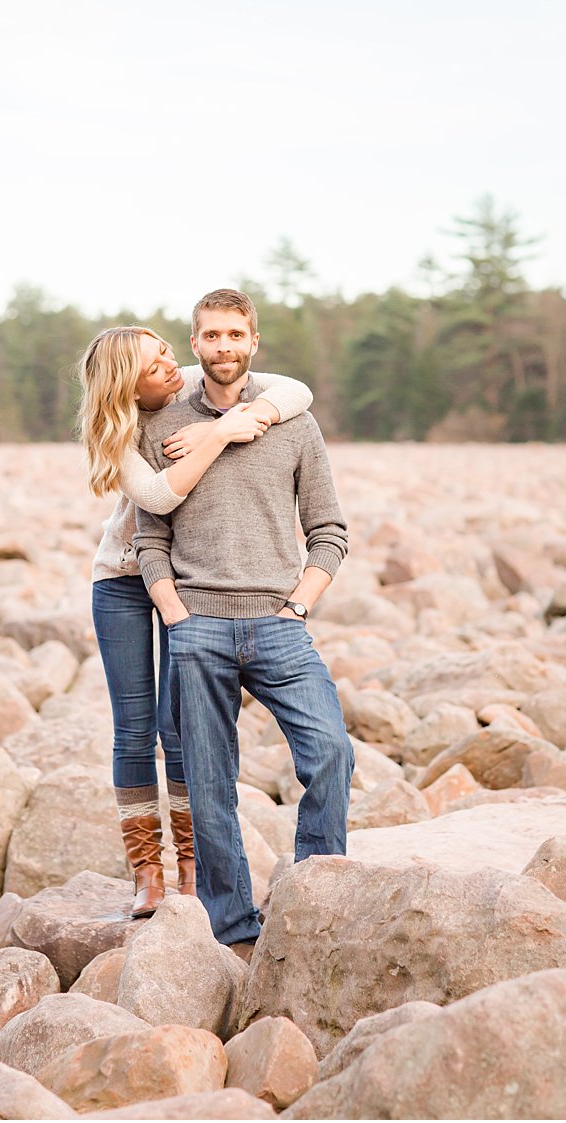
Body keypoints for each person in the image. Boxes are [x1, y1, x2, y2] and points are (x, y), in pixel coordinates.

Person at [134, 288, 354, 959]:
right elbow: (150, 537)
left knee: (331, 753)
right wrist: (175, 613)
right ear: (194, 343)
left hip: (279, 624)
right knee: (207, 782)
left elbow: (329, 531)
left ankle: (316, 897)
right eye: (211, 336)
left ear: (253, 340)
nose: (224, 346)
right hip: (197, 626)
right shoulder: (162, 423)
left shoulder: (292, 419)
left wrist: (299, 603)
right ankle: (232, 929)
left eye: (235, 334)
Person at [76, 324, 312, 919]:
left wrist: (222, 421)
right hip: (124, 584)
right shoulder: (120, 434)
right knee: (134, 730)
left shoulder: (187, 389)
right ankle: (146, 875)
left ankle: (191, 867)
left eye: (167, 353)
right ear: (128, 384)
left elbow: (297, 392)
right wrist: (223, 434)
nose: (173, 366)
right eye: (156, 365)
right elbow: (157, 498)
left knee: (179, 726)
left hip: (187, 580)